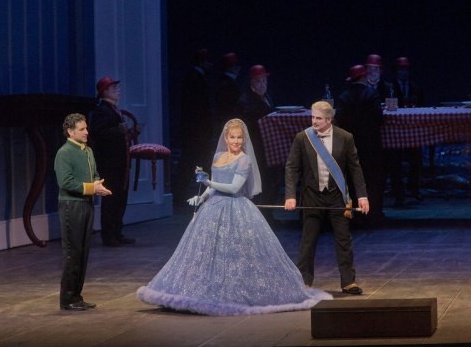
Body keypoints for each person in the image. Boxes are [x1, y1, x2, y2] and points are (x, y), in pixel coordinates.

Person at [137, 119, 332, 315]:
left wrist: (209, 183)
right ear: (226, 138)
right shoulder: (218, 157)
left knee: (239, 255)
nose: (236, 141)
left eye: (240, 137)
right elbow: (213, 188)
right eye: (233, 137)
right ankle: (202, 293)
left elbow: (233, 188)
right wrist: (201, 197)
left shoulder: (244, 160)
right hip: (212, 209)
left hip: (237, 208)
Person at [284, 101, 370, 295]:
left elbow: (355, 169)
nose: (314, 121)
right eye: (312, 117)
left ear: (329, 119)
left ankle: (348, 282)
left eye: (319, 118)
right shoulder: (302, 138)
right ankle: (304, 281)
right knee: (308, 240)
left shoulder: (345, 137)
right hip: (312, 196)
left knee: (343, 239)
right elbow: (292, 168)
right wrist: (290, 195)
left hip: (336, 196)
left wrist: (362, 196)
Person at [54, 113, 112, 310]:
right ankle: (67, 299)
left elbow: (93, 172)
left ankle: (77, 296)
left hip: (86, 204)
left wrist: (97, 184)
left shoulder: (87, 151)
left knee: (83, 252)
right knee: (73, 252)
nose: (87, 132)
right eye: (82, 129)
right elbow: (66, 182)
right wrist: (92, 188)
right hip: (72, 205)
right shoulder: (64, 153)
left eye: (86, 128)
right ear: (70, 132)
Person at [88, 77, 136, 247]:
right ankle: (109, 235)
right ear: (104, 92)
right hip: (109, 161)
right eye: (114, 88)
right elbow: (98, 133)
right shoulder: (102, 111)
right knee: (111, 197)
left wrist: (128, 132)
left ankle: (117, 231)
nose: (118, 90)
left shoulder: (114, 110)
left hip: (119, 159)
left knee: (120, 197)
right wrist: (118, 130)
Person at [337, 65, 385, 225]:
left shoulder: (344, 96)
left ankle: (354, 214)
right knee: (371, 179)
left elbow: (339, 120)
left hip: (351, 145)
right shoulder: (372, 94)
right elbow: (379, 118)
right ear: (364, 78)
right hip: (370, 145)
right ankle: (372, 214)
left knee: (352, 179)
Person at [235, 65, 279, 212]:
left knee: (270, 181)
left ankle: (268, 215)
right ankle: (261, 216)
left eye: (265, 81)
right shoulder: (246, 101)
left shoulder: (266, 96)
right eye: (259, 81)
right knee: (260, 183)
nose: (263, 85)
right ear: (252, 82)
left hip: (268, 147)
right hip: (256, 147)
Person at [176, 48, 214, 203]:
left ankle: (187, 192)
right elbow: (198, 108)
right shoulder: (195, 78)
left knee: (192, 161)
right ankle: (180, 192)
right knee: (190, 161)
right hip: (195, 131)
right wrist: (205, 129)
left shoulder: (195, 77)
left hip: (194, 130)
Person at [388, 56, 425, 206]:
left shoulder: (416, 87)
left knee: (416, 158)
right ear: (396, 71)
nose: (403, 72)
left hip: (412, 130)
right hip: (394, 131)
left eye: (406, 69)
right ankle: (398, 193)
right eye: (400, 70)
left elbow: (423, 106)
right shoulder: (389, 87)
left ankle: (413, 188)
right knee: (395, 161)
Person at [214, 52, 241, 136]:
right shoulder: (226, 84)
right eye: (236, 65)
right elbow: (228, 108)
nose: (239, 68)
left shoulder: (225, 81)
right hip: (229, 125)